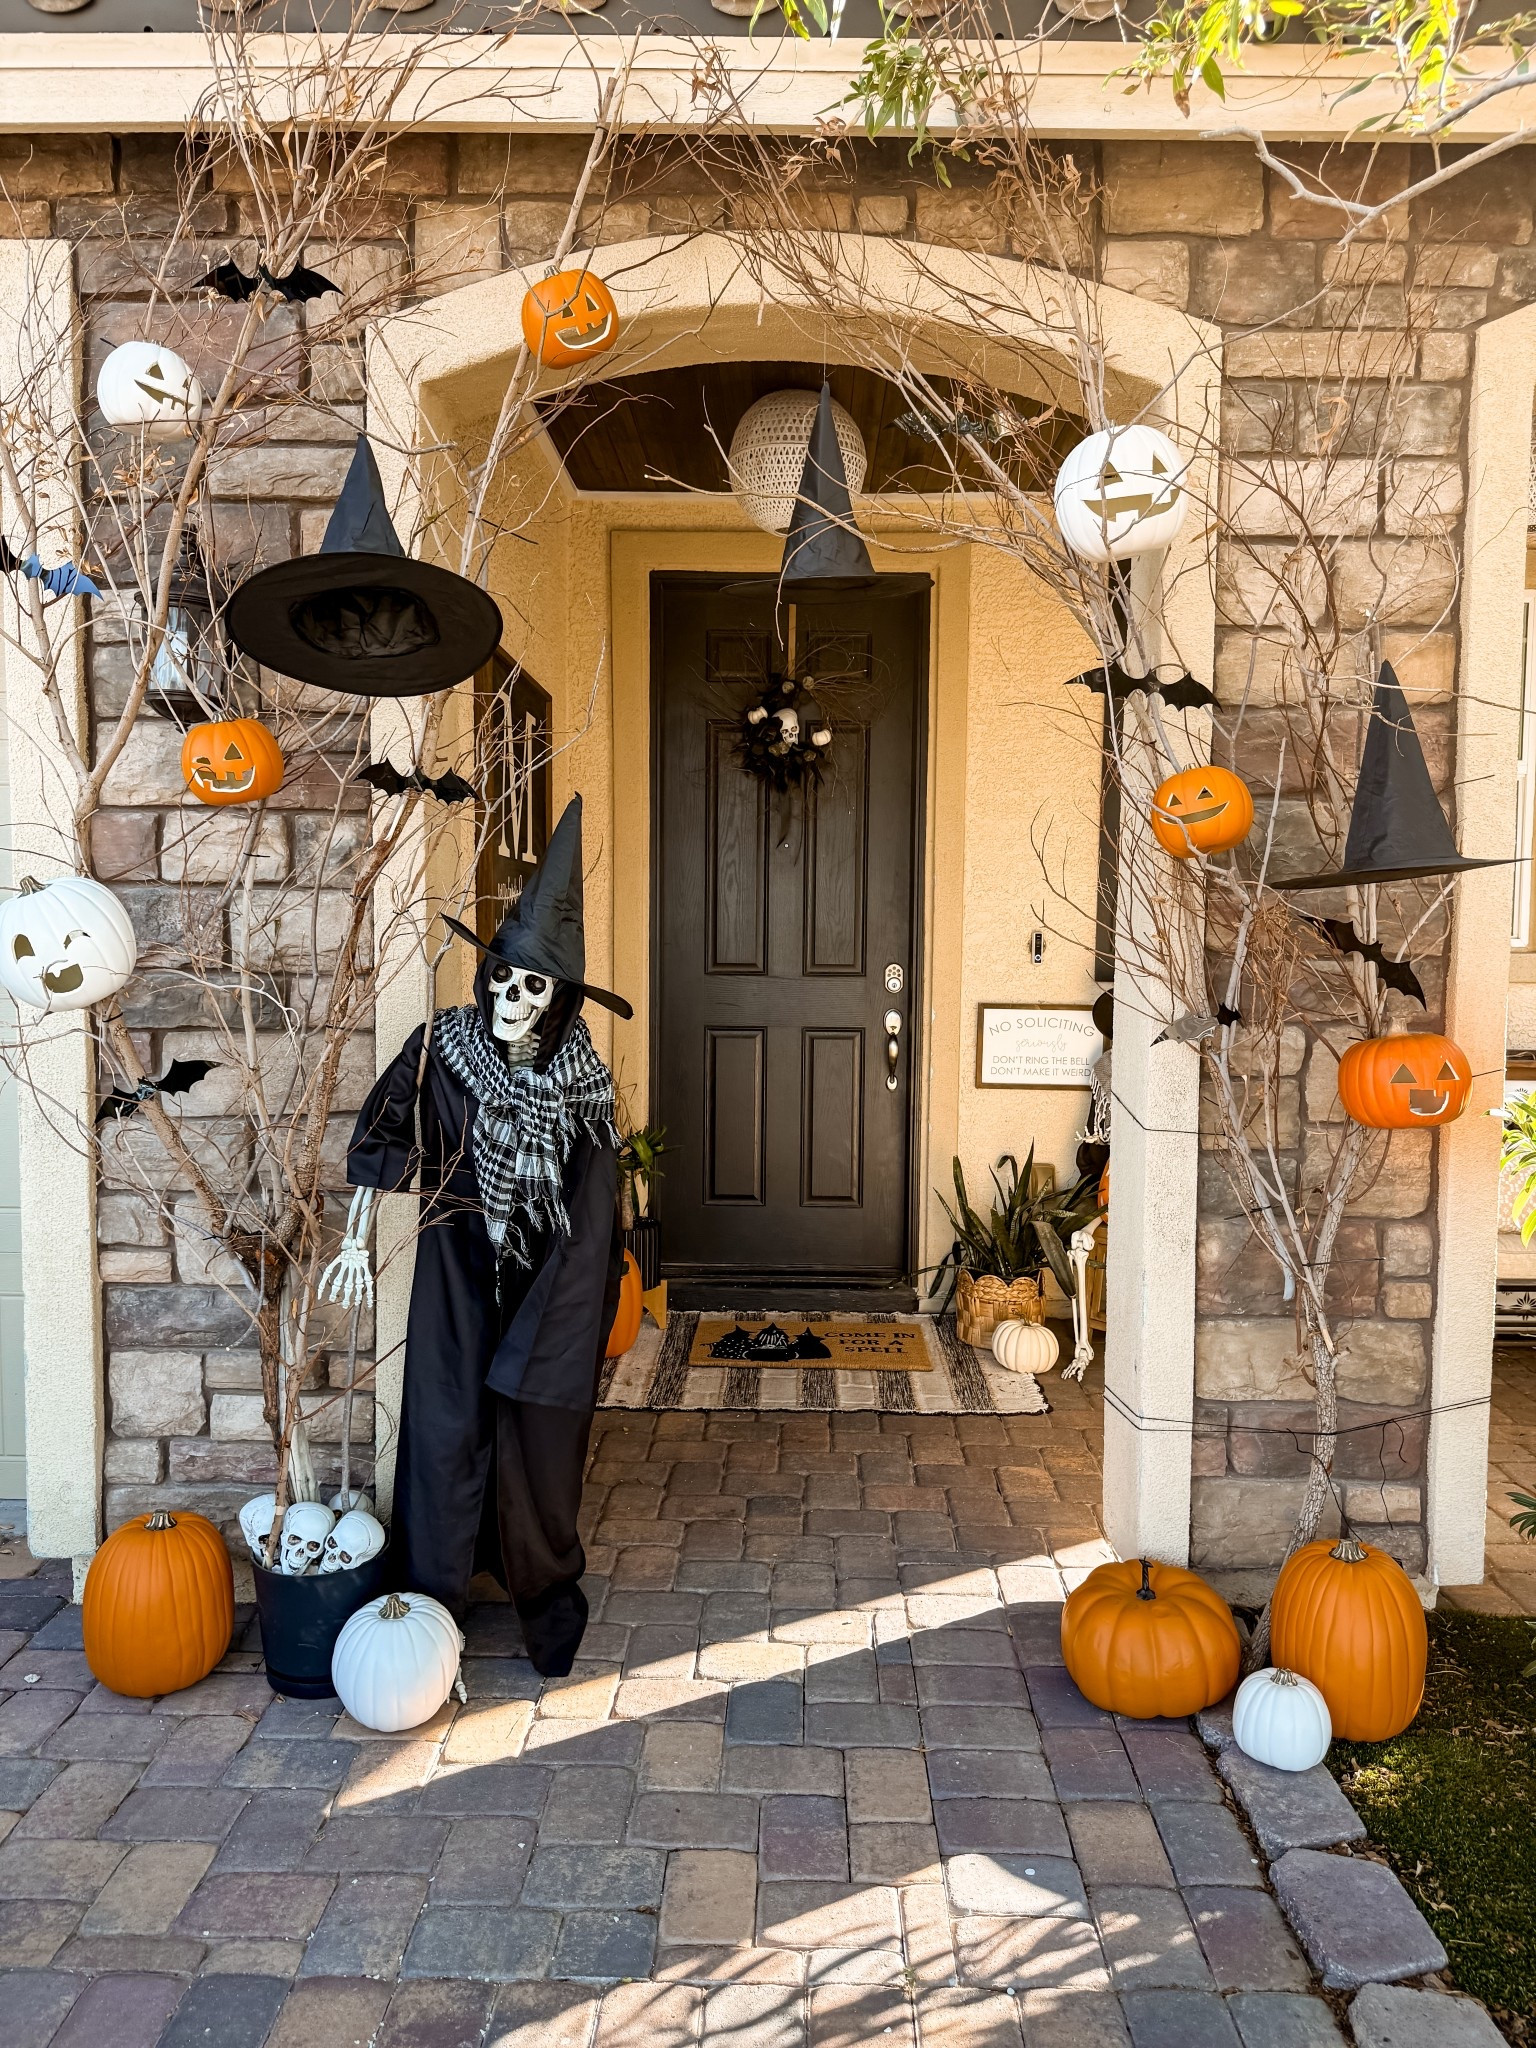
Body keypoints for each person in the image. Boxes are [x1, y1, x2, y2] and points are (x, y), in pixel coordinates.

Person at [332, 795, 630, 1677]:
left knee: (536, 1431)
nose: (509, 996)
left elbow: (596, 1203)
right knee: (445, 1420)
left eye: (532, 985)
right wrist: (354, 1238)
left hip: (542, 1275)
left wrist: (578, 1298)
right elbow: (385, 1131)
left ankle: (538, 1580)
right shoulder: (442, 1050)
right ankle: (434, 1593)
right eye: (501, 975)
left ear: (560, 1000)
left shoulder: (582, 1082)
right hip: (459, 1263)